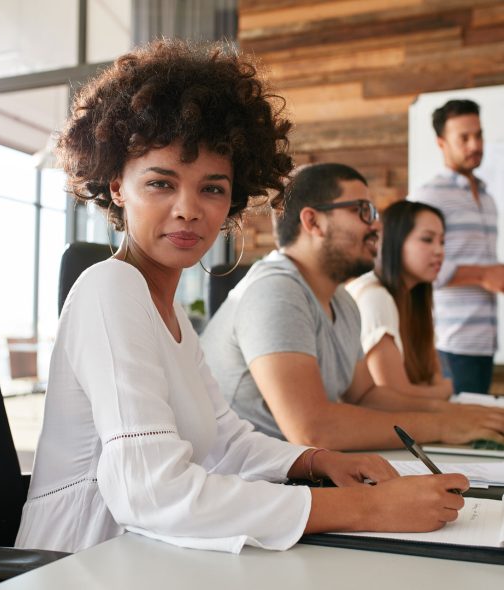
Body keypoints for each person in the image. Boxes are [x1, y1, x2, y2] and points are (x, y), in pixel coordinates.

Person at [15, 40, 468, 555]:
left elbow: (225, 439)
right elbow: (150, 491)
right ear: (117, 185)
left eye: (211, 189)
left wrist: (316, 461)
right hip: (80, 561)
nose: (188, 209)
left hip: (149, 552)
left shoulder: (171, 311)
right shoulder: (109, 289)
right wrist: (370, 508)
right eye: (162, 183)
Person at [201, 163, 504, 451]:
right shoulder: (275, 291)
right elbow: (312, 429)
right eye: (363, 211)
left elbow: (365, 396)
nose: (376, 226)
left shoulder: (342, 301)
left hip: (292, 475)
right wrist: (442, 426)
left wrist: (457, 412)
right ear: (313, 222)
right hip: (248, 485)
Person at [408, 99, 504, 394]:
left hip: (485, 341)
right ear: (441, 143)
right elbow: (412, 261)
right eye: (463, 137)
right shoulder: (429, 196)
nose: (474, 144)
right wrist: (482, 275)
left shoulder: (486, 196)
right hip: (450, 343)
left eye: (478, 135)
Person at [346, 200, 453, 400]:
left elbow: (432, 376)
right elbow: (394, 395)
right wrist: (444, 390)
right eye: (427, 239)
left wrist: (439, 389)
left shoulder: (415, 297)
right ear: (394, 242)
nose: (439, 251)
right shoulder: (374, 296)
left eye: (442, 241)